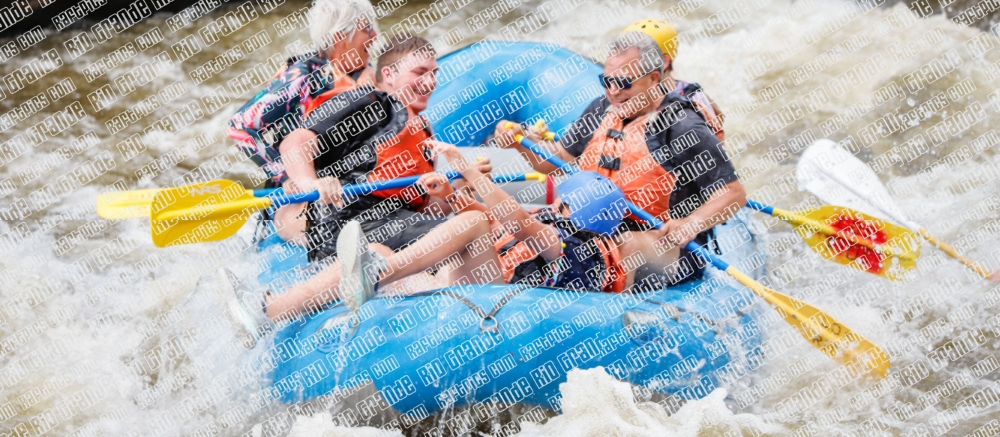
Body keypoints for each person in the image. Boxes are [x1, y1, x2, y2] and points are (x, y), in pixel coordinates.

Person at [220, 138, 687, 338]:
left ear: (574, 212)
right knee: (380, 248)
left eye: (563, 203)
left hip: (492, 296)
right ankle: (273, 311)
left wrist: (466, 169)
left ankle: (376, 271)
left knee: (475, 223)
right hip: (468, 280)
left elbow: (512, 219)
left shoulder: (568, 244)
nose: (556, 205)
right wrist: (449, 194)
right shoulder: (594, 240)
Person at [219, 34, 488, 343]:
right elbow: (296, 143)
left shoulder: (423, 134)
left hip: (392, 225)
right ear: (388, 74)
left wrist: (458, 187)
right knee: (466, 229)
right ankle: (269, 309)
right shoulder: (369, 104)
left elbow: (425, 209)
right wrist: (310, 182)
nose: (429, 82)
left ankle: (445, 312)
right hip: (348, 220)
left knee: (445, 241)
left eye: (434, 73)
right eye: (418, 73)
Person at [495, 32, 745, 287]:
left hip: (665, 245)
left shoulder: (682, 126)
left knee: (622, 245)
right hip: (592, 229)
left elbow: (733, 193)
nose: (614, 92)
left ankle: (612, 316)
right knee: (540, 222)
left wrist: (691, 223)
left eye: (624, 83)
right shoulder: (601, 109)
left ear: (653, 78)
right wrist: (520, 144)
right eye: (607, 81)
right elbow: (555, 161)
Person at [227, 0, 379, 186]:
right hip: (303, 196)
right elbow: (239, 128)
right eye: (367, 29)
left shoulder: (365, 72)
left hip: (348, 187)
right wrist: (286, 176)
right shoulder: (302, 76)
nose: (375, 36)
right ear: (341, 37)